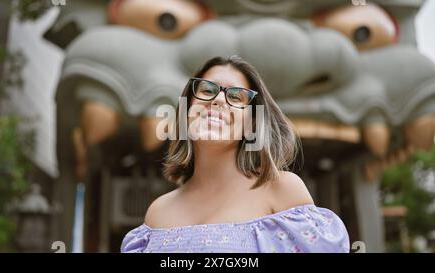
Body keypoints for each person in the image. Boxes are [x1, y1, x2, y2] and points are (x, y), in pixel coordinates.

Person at [121, 55, 350, 253]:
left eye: (236, 97)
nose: (219, 99)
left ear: (251, 123)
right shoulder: (157, 213)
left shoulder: (281, 190)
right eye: (207, 90)